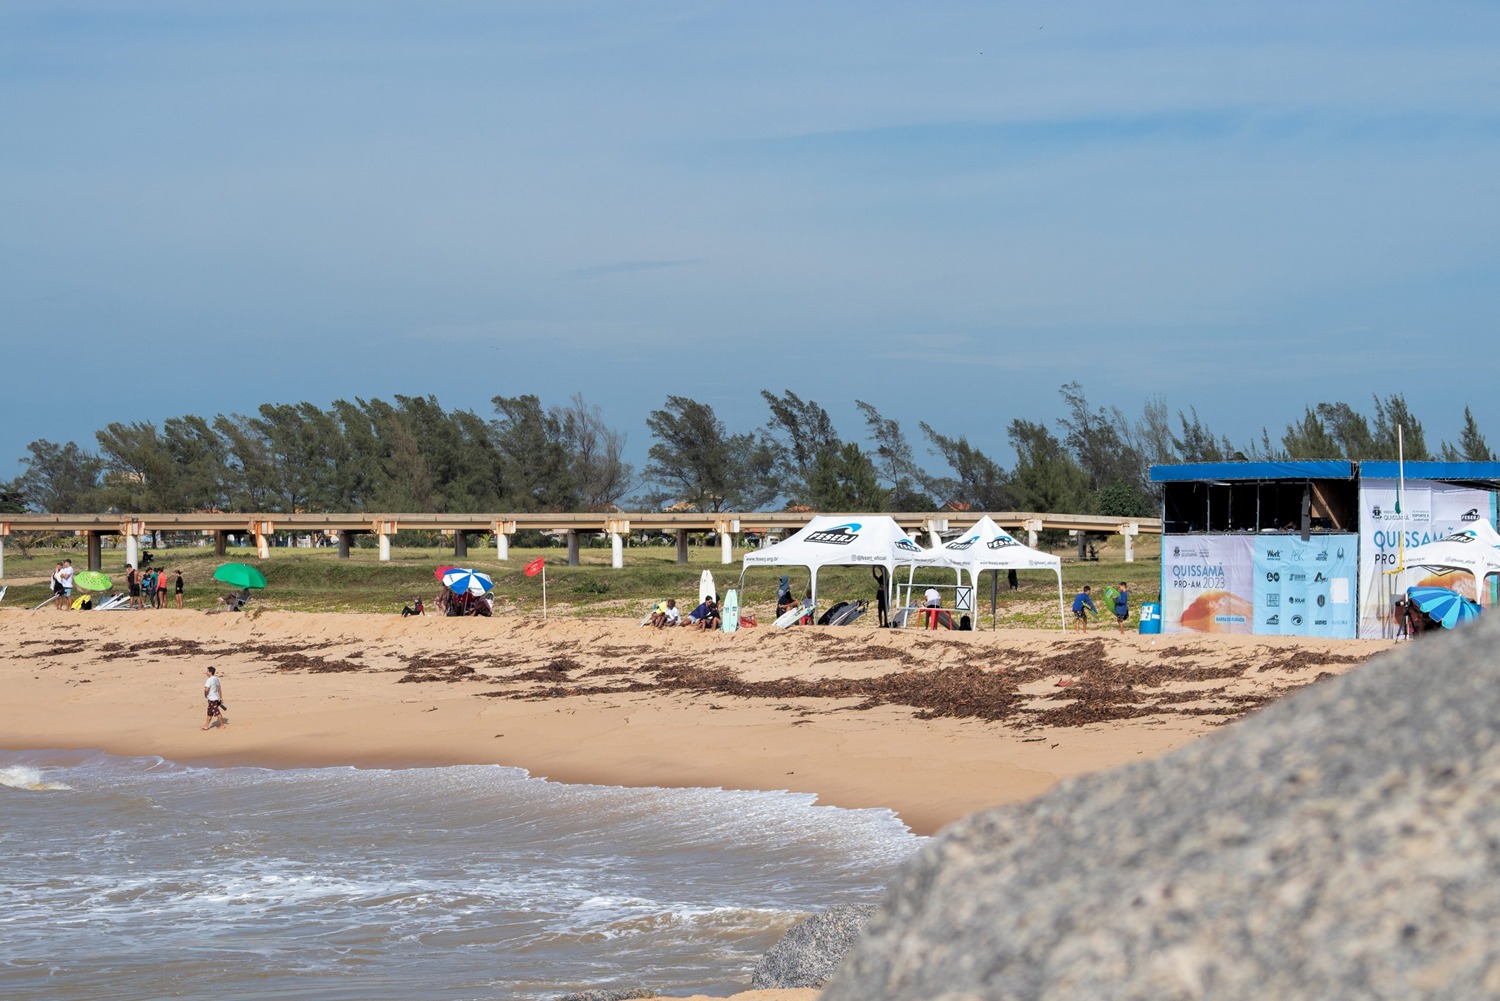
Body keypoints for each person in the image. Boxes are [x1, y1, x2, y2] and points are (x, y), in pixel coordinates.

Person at [201, 666, 228, 731]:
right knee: (210, 712)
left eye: (207, 671)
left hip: (212, 699)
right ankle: (206, 725)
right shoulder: (217, 678)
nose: (206, 672)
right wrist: (221, 697)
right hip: (215, 698)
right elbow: (219, 689)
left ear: (210, 672)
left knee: (216, 712)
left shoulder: (209, 679)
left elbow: (206, 689)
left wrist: (205, 695)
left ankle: (222, 725)